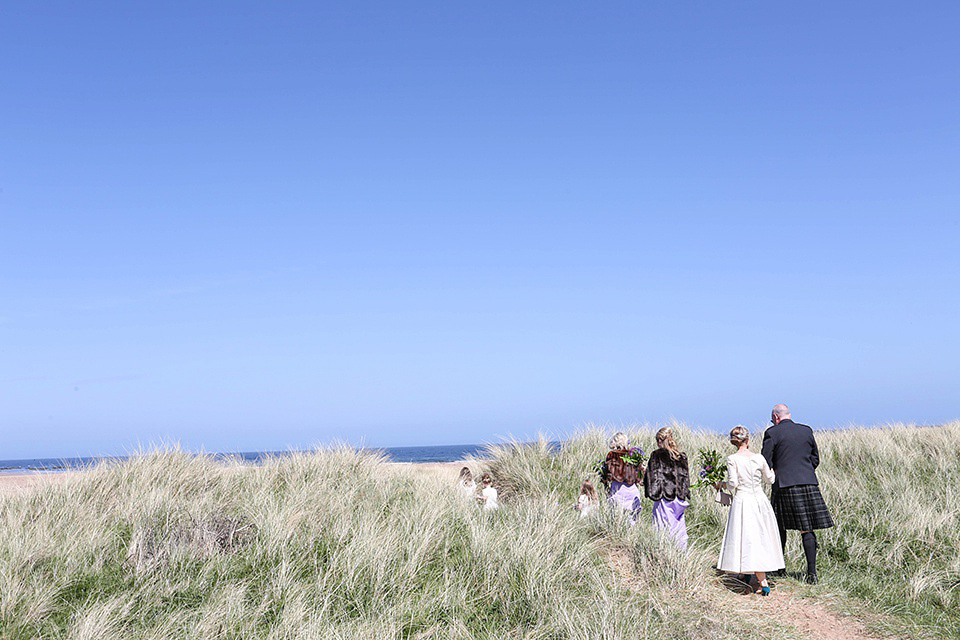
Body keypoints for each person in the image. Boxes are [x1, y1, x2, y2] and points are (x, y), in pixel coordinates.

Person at [761, 404, 834, 584]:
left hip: (784, 485)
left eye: (772, 420)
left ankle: (780, 569)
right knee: (807, 528)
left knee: (780, 526)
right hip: (808, 482)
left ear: (776, 417)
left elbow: (765, 461)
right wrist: (805, 472)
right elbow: (815, 458)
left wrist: (777, 473)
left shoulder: (772, 433)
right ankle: (812, 573)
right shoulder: (806, 431)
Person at [717, 426, 785, 596]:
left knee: (745, 537)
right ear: (748, 439)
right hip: (760, 500)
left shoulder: (732, 459)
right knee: (760, 536)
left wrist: (720, 485)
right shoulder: (758, 458)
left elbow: (732, 484)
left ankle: (760, 579)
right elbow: (770, 480)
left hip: (743, 500)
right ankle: (750, 574)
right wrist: (774, 469)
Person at [643, 427, 691, 549]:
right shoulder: (681, 456)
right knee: (679, 527)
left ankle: (664, 553)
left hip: (664, 495)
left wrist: (647, 485)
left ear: (660, 440)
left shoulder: (656, 455)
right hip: (679, 496)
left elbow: (652, 476)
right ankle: (681, 553)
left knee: (662, 527)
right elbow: (685, 477)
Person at [600, 432, 643, 520]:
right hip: (632, 489)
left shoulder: (612, 455)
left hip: (618, 490)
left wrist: (605, 483)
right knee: (633, 518)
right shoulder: (632, 454)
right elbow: (639, 474)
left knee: (616, 518)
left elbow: (609, 473)